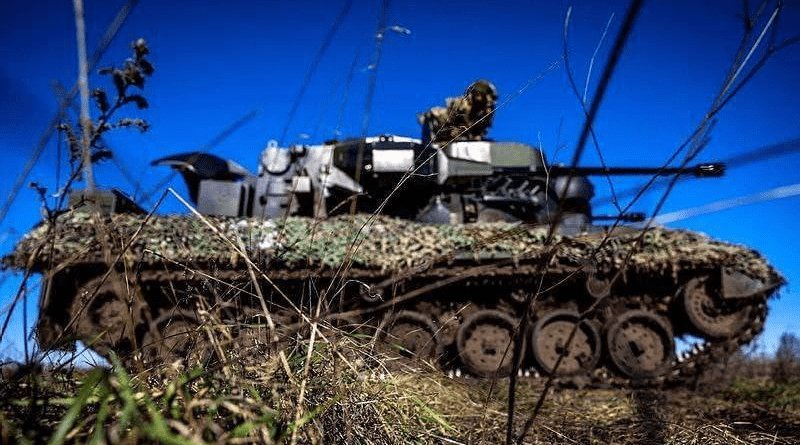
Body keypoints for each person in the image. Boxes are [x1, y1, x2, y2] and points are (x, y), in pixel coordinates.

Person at [418, 79, 498, 144]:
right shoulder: (462, 105)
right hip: (436, 125)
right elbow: (454, 127)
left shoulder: (486, 110)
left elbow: (479, 131)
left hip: (455, 133)